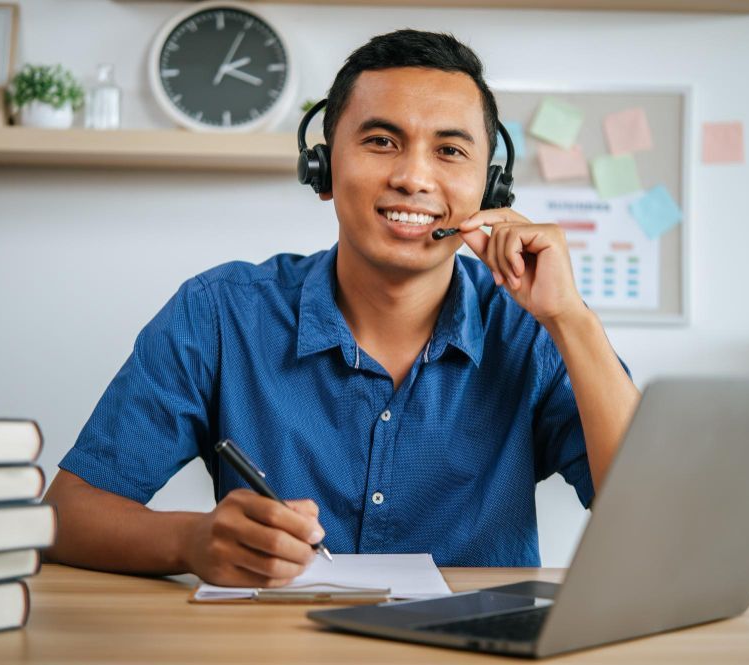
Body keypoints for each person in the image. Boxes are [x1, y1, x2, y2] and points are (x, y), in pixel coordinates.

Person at [43, 29, 640, 587]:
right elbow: (68, 515)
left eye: (450, 151)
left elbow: (647, 516)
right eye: (381, 142)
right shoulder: (220, 315)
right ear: (324, 169)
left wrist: (571, 318)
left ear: (491, 186)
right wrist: (190, 541)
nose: (413, 177)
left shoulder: (532, 331)